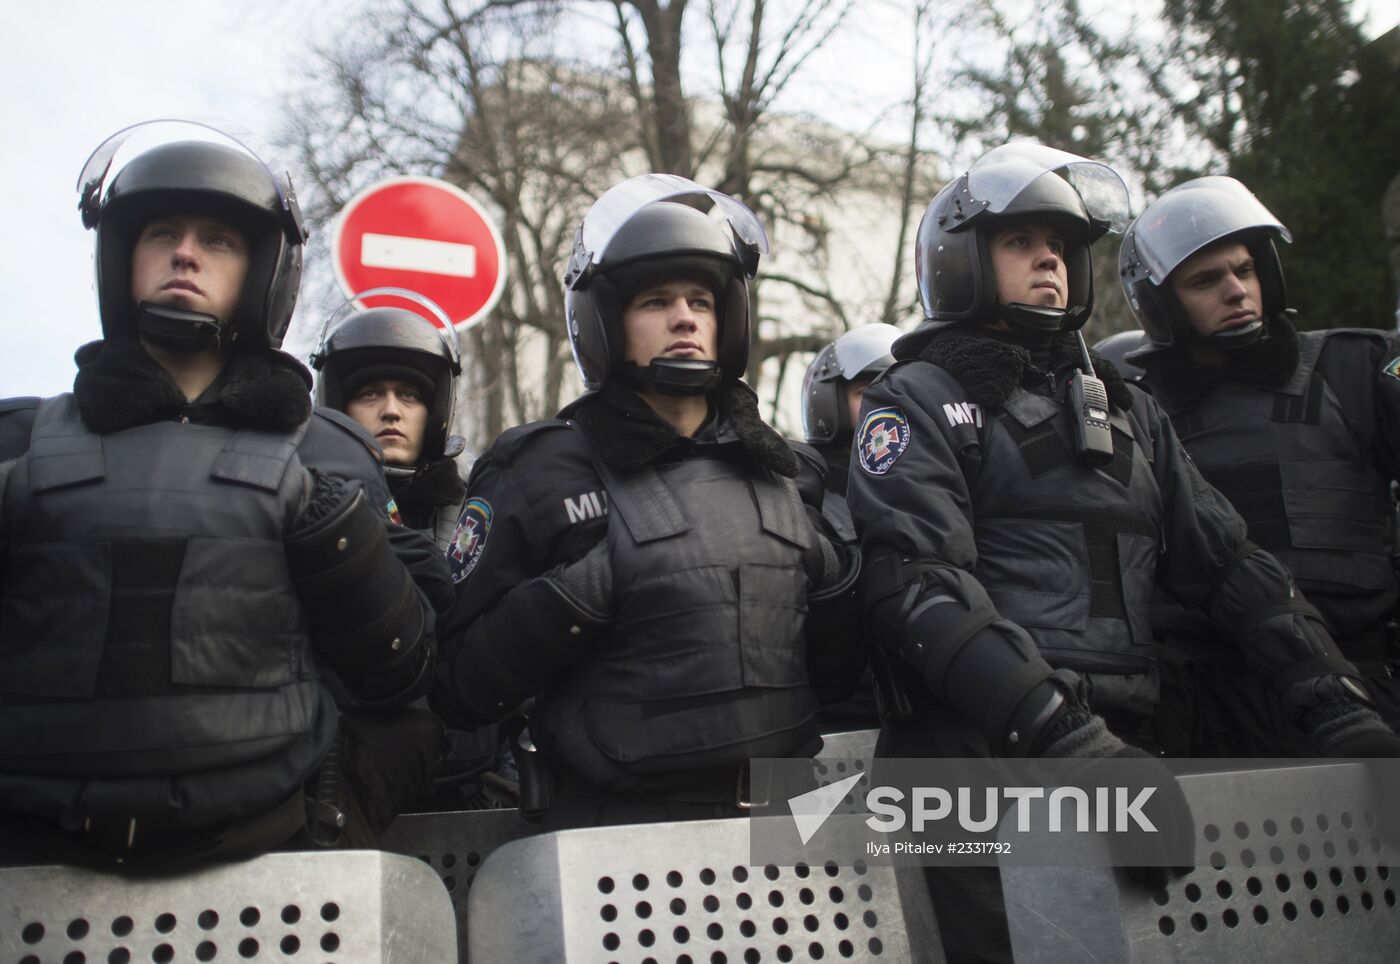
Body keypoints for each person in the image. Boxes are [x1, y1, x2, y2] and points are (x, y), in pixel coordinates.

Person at [845, 143, 1400, 962]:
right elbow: (921, 588)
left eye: (1062, 246)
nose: (1050, 260)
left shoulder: (1126, 406)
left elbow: (1230, 566)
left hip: (1126, 744)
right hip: (970, 763)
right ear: (959, 262)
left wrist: (1334, 700)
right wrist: (1067, 740)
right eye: (1020, 242)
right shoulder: (914, 399)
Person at [0, 124, 448, 871]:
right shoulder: (20, 441)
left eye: (218, 240)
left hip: (270, 860)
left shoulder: (330, 450)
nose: (185, 252)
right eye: (163, 232)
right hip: (33, 870)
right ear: (120, 258)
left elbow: (401, 674)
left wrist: (339, 811)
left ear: (262, 270)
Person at [432, 175, 863, 830]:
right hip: (612, 842)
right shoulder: (539, 470)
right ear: (606, 322)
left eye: (701, 300)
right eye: (656, 300)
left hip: (783, 833)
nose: (685, 316)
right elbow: (458, 689)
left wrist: (836, 582)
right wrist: (589, 588)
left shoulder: (783, 472)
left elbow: (837, 677)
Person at [1120, 175, 1400, 755]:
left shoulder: (1355, 367)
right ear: (1162, 304)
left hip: (1366, 687)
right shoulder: (1137, 411)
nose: (1235, 291)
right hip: (1209, 708)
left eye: (1244, 270)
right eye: (1205, 281)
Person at [311, 293, 470, 551]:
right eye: (370, 394)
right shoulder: (299, 499)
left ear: (436, 414)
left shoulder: (476, 505)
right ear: (337, 409)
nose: (391, 411)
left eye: (409, 395)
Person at [800, 323, 900, 730]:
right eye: (866, 393)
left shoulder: (950, 491)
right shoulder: (806, 496)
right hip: (839, 733)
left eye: (899, 391)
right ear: (830, 404)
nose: (887, 407)